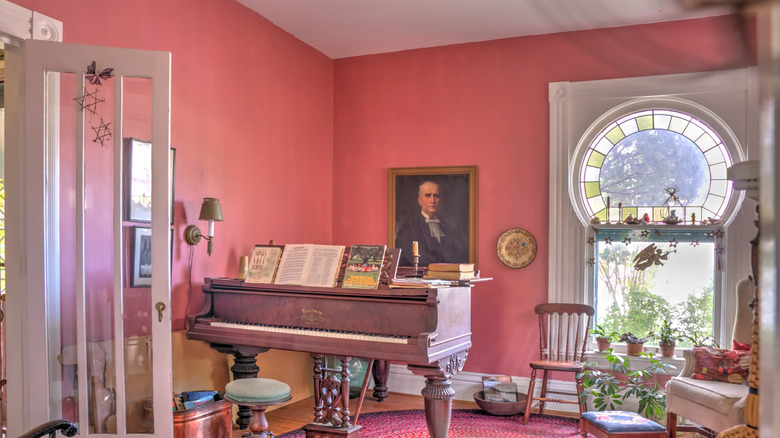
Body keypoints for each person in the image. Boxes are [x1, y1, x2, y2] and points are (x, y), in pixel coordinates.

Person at [395, 181, 469, 267]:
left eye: (436, 196)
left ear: (440, 200)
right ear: (419, 200)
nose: (432, 200)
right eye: (428, 195)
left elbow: (460, 257)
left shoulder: (450, 229)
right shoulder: (407, 231)